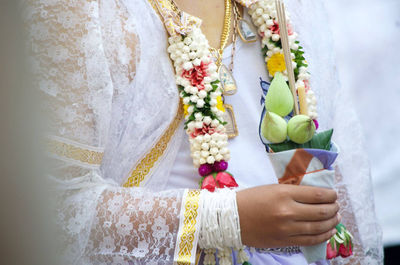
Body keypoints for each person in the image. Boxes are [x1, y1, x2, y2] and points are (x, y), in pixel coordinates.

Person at [25, 0, 382, 264]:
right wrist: (226, 219)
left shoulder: (283, 6)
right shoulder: (79, 12)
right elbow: (49, 208)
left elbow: (327, 168)